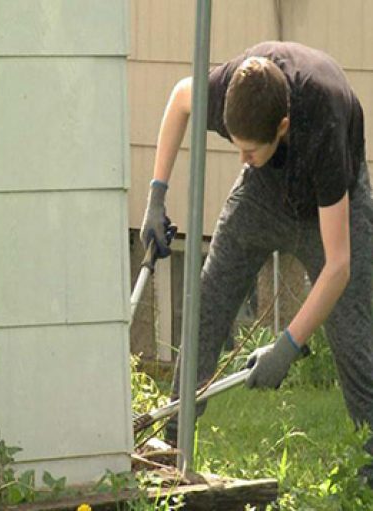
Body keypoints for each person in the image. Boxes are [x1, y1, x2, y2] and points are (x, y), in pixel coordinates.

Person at [140, 41, 373, 484]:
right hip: (262, 196)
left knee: (355, 342)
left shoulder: (322, 122)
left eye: (248, 150)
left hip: (332, 206)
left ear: (283, 127)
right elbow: (180, 98)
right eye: (236, 145)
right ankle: (169, 453)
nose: (239, 158)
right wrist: (156, 196)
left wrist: (287, 345)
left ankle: (370, 479)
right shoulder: (235, 87)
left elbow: (338, 266)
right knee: (207, 305)